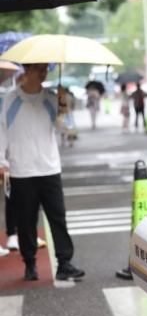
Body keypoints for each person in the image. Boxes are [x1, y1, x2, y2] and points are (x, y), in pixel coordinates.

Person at [0, 63, 84, 281]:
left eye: (46, 68)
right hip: (21, 170)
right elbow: (1, 131)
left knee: (58, 217)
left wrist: (65, 106)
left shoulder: (52, 98)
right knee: (26, 221)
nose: (44, 72)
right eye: (39, 68)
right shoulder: (10, 100)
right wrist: (2, 161)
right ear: (26, 71)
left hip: (49, 168)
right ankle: (30, 263)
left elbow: (67, 130)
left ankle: (64, 263)